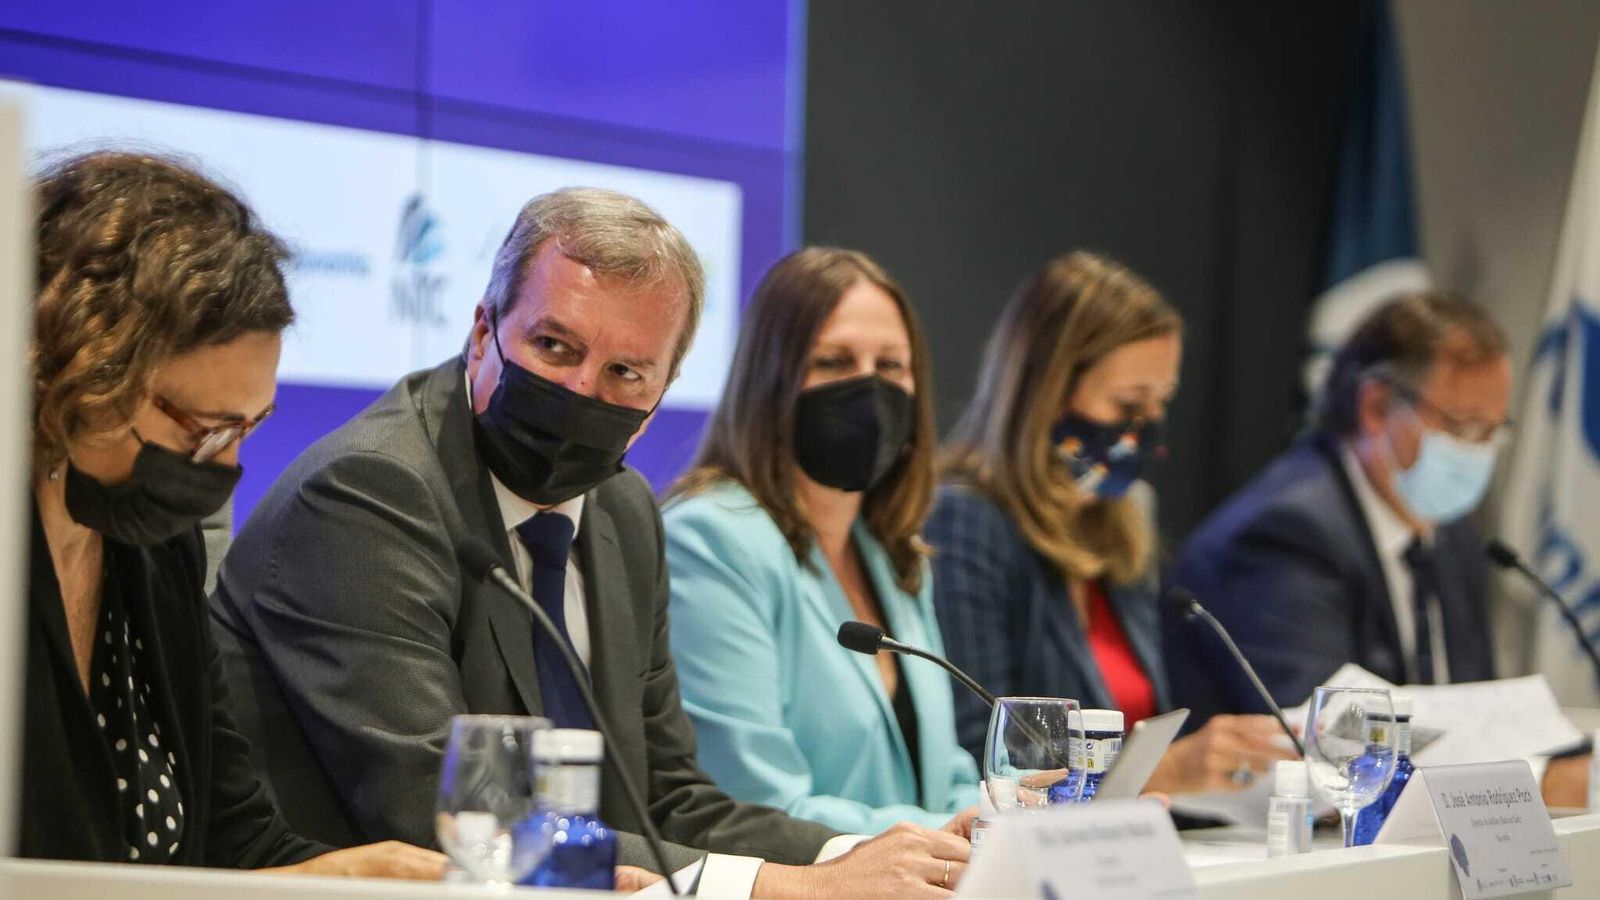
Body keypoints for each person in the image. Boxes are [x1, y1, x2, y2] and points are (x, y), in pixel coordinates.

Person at [210, 188, 971, 896]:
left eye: (625, 372)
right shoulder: (371, 494)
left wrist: (867, 857)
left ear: (663, 391)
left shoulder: (622, 511)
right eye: (553, 346)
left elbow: (667, 798)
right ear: (483, 332)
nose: (581, 393)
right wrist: (787, 889)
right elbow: (460, 822)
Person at [20, 150, 443, 878]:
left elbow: (235, 842)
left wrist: (366, 878)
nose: (225, 468)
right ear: (80, 373)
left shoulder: (157, 548)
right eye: (203, 428)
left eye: (247, 429)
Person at [1167, 291, 1592, 804]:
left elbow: (1469, 715)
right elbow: (1331, 747)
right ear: (1375, 406)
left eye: (1493, 430)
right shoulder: (1284, 533)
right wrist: (1539, 781)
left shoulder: (1451, 532)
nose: (1478, 452)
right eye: (1461, 425)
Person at [926, 250, 1296, 795]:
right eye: (1128, 404)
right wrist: (1167, 770)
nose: (1146, 427)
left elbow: (1147, 724)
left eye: (1160, 403)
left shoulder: (1126, 518)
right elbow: (980, 748)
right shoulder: (967, 519)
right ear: (1046, 391)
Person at [663, 248, 980, 834]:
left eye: (891, 367)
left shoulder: (893, 552)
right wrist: (946, 833)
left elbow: (944, 775)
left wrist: (1013, 815)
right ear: (771, 380)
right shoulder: (711, 539)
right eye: (835, 363)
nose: (869, 391)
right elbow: (754, 803)